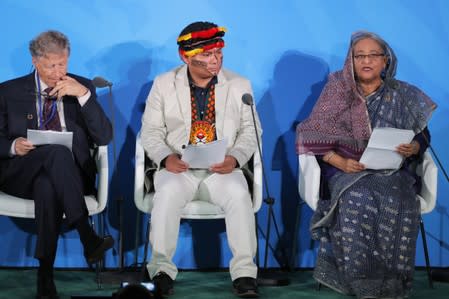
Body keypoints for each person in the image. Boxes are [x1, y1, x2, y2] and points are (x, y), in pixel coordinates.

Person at [296, 31, 437, 298]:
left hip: (392, 171)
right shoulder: (337, 89)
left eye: (373, 55)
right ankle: (361, 282)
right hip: (346, 169)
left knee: (400, 200)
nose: (366, 61)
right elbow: (309, 132)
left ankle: (393, 282)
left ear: (386, 61)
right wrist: (339, 160)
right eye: (359, 55)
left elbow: (422, 133)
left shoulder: (402, 94)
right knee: (358, 197)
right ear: (351, 61)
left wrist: (415, 146)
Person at [140, 21, 261, 298]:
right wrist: (165, 157)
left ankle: (244, 274)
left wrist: (236, 157)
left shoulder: (239, 84)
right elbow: (150, 131)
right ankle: (161, 272)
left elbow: (253, 131)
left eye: (218, 54)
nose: (214, 60)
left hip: (222, 169)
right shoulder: (163, 84)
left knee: (238, 195)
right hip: (178, 168)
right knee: (167, 193)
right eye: (206, 55)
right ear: (186, 56)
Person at [0, 30, 114, 299]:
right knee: (54, 154)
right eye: (51, 64)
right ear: (35, 61)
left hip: (70, 178)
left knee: (48, 184)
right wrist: (13, 146)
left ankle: (45, 276)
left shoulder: (82, 87)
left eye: (62, 63)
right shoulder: (9, 91)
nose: (57, 71)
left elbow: (104, 136)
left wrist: (84, 96)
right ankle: (87, 234)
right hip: (20, 173)